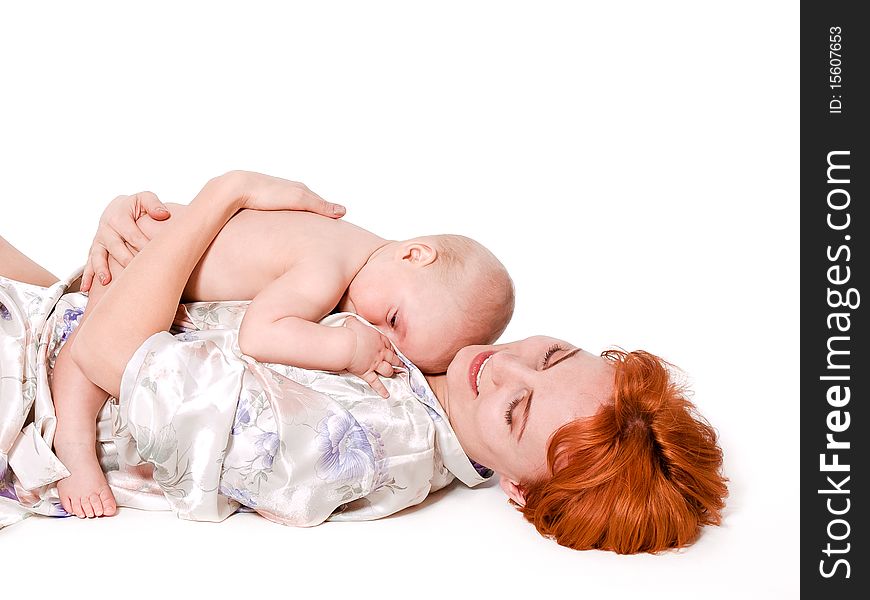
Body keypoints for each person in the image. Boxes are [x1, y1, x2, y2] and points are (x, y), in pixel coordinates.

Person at [0, 171, 727, 553]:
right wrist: (137, 227)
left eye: (517, 409)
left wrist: (224, 192)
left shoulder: (369, 445)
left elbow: (104, 354)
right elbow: (218, 284)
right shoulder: (423, 339)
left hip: (30, 397)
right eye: (550, 354)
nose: (501, 366)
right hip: (46, 314)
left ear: (516, 487)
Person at [51, 172, 515, 521]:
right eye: (393, 320)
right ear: (414, 253)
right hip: (137, 258)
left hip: (157, 239)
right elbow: (262, 334)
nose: (378, 333)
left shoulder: (355, 251)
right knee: (82, 359)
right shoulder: (326, 269)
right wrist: (348, 350)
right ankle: (72, 445)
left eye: (398, 344)